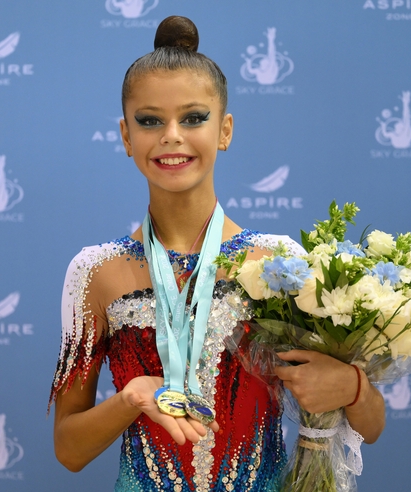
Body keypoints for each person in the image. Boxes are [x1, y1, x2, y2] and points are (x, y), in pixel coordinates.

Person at [50, 16, 385, 491]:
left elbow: (371, 426)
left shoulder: (279, 262)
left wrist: (352, 385)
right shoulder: (95, 272)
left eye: (193, 118)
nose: (171, 135)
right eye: (150, 120)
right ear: (126, 136)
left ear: (224, 130)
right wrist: (130, 400)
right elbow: (68, 449)